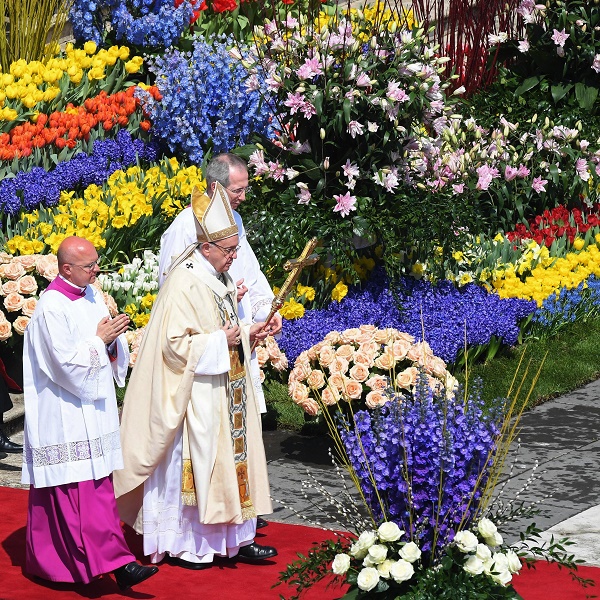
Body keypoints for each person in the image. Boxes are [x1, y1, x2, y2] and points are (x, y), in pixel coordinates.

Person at [114, 183, 276, 570]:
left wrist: (248, 332)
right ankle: (189, 545)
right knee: (198, 463)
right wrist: (220, 340)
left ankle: (232, 540)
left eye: (236, 249)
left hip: (226, 386)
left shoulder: (217, 275)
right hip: (195, 395)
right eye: (229, 251)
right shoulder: (183, 281)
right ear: (206, 247)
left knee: (231, 458)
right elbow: (173, 345)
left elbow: (224, 325)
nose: (234, 258)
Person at [21, 236, 158, 591]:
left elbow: (104, 347)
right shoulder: (51, 308)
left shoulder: (93, 295)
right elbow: (63, 366)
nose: (97, 270)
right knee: (75, 494)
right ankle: (118, 563)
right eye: (89, 266)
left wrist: (113, 341)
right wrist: (100, 341)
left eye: (97, 262)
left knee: (91, 488)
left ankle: (62, 564)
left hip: (92, 410)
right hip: (64, 412)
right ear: (66, 269)